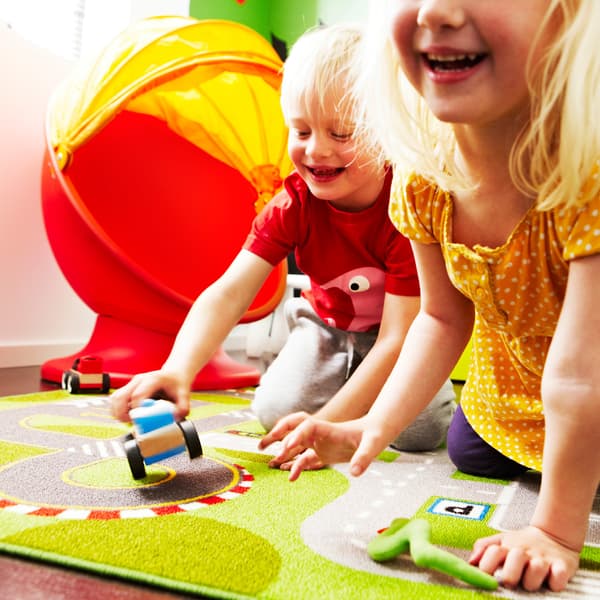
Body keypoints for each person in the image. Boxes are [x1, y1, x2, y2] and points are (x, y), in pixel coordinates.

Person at [259, 1, 600, 592]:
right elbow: (441, 319)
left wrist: (557, 532)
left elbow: (582, 373)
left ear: (568, 21)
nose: (437, 10)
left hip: (588, 382)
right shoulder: (422, 179)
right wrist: (372, 426)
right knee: (469, 450)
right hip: (511, 395)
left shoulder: (585, 172)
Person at [110, 23, 456, 461]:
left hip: (399, 337)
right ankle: (347, 394)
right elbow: (229, 292)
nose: (316, 151)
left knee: (420, 431)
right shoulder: (290, 205)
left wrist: (328, 428)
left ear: (385, 133)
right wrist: (178, 369)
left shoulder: (405, 208)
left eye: (341, 134)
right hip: (325, 329)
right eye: (302, 131)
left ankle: (367, 402)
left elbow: (397, 339)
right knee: (272, 410)